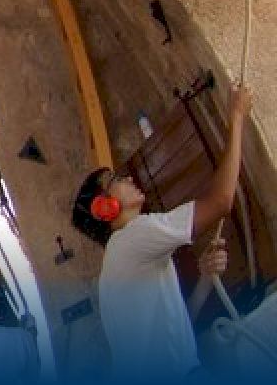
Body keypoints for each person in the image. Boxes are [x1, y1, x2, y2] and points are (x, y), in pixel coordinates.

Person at [70, 85, 251, 381]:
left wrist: (206, 278)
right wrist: (237, 117)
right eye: (117, 179)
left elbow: (178, 331)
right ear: (104, 207)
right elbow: (221, 202)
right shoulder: (133, 237)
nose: (129, 178)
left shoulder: (119, 263)